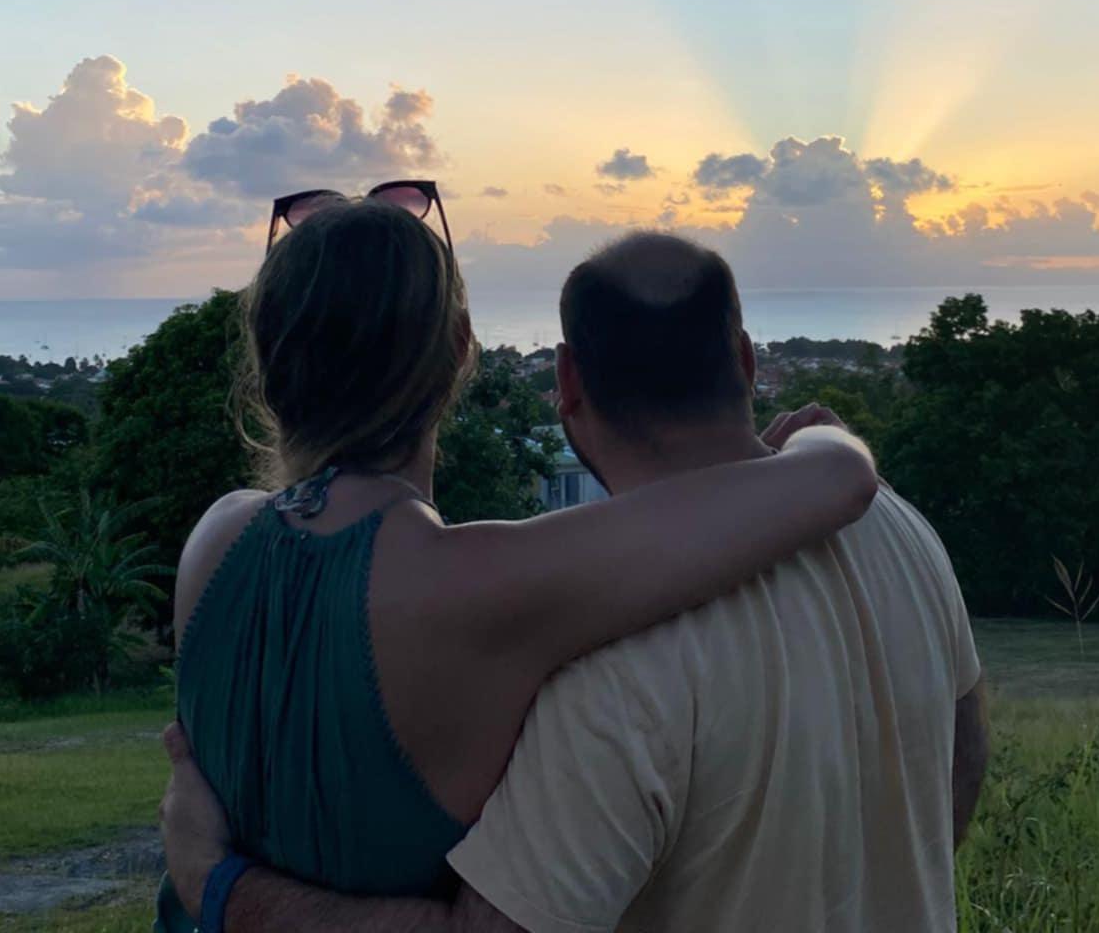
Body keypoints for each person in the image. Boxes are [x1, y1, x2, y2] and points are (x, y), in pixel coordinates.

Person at [160, 230, 988, 933]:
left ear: (566, 383)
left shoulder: (216, 542)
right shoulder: (902, 533)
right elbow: (952, 772)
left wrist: (212, 882)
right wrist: (826, 443)